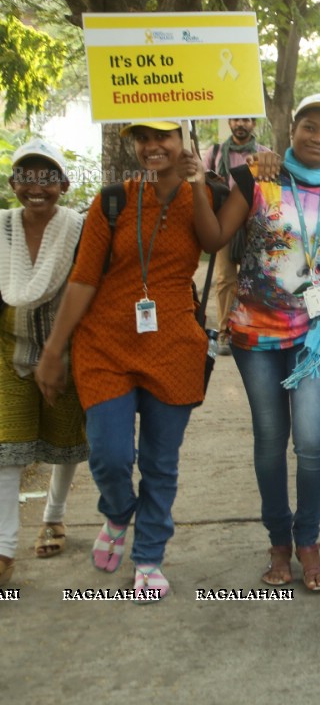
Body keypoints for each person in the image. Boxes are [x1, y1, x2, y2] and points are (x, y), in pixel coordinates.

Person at [35, 119, 270, 599]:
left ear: (184, 141)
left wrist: (198, 185)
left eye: (162, 136)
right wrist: (54, 349)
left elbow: (211, 242)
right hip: (105, 345)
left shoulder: (204, 192)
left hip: (173, 347)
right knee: (110, 454)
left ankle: (148, 555)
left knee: (161, 463)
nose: (151, 146)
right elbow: (82, 279)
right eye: (142, 139)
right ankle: (119, 512)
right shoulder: (112, 200)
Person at [212, 93, 320, 592]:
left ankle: (308, 539)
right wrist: (195, 177)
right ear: (291, 129)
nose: (319, 138)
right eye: (310, 127)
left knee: (312, 443)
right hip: (255, 333)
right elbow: (213, 238)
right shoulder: (257, 176)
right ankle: (279, 543)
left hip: (316, 333)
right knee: (271, 441)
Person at [0, 140, 88, 586]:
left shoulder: (81, 228)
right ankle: (3, 550)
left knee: (65, 437)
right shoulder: (1, 228)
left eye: (47, 177)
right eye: (26, 177)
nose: (36, 187)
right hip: (9, 352)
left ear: (64, 185)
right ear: (13, 184)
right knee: (6, 451)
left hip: (69, 350)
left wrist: (59, 352)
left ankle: (53, 516)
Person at [204, 117, 270, 356]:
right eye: (236, 120)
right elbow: (201, 184)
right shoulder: (215, 153)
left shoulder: (265, 154)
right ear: (230, 122)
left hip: (256, 226)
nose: (241, 124)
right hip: (225, 223)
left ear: (253, 124)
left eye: (246, 120)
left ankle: (254, 328)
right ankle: (224, 333)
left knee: (256, 279)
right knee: (225, 280)